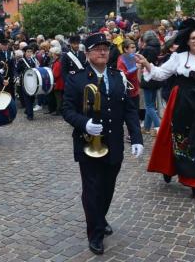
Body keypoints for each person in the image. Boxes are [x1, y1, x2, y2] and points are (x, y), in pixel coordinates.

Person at [63, 33, 144, 255]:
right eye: (97, 49)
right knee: (91, 189)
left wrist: (136, 138)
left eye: (105, 49)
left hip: (114, 142)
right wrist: (84, 123)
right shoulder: (76, 78)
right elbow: (67, 110)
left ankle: (100, 217)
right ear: (87, 53)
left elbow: (129, 109)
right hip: (87, 143)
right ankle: (95, 232)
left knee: (107, 187)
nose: (102, 52)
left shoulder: (118, 76)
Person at [138, 19, 195, 200]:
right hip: (184, 102)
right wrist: (147, 64)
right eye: (193, 38)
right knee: (182, 137)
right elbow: (161, 74)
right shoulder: (178, 57)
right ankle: (177, 171)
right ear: (187, 40)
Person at [16, 45, 38, 120]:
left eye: (31, 52)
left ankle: (27, 110)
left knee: (32, 98)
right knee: (27, 98)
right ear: (24, 53)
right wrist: (17, 77)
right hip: (24, 81)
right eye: (28, 52)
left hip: (33, 82)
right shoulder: (21, 61)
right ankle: (30, 115)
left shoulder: (34, 60)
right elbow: (17, 71)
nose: (29, 53)